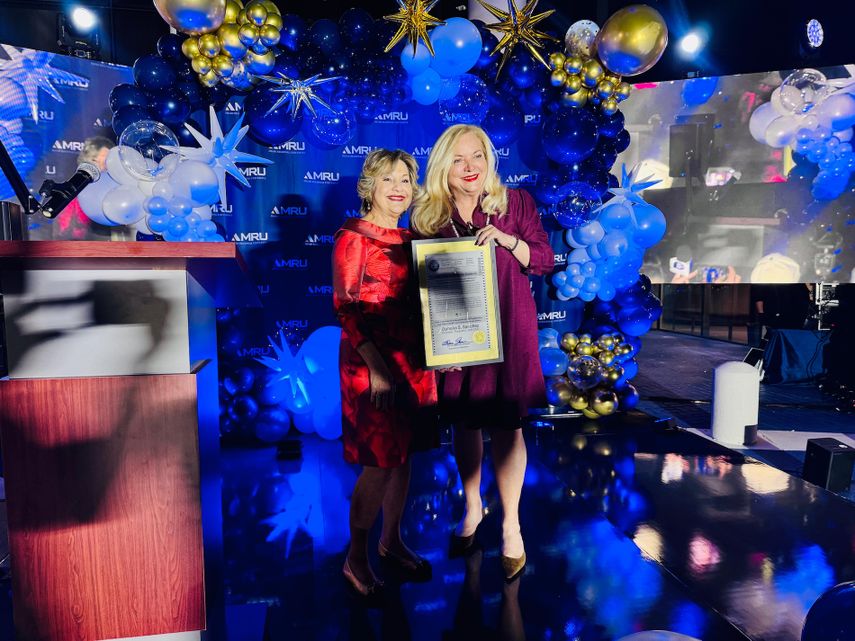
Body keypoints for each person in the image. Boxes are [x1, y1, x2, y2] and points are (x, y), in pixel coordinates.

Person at [411, 124, 554, 580]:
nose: (469, 167)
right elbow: (423, 289)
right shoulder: (428, 217)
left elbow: (544, 260)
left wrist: (507, 239)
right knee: (465, 422)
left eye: (476, 155)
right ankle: (473, 506)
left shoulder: (516, 204)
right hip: (461, 338)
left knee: (509, 425)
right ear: (443, 167)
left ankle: (511, 525)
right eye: (458, 159)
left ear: (489, 159)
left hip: (510, 331)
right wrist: (439, 344)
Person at [332, 149, 437, 596]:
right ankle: (355, 558)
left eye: (405, 180)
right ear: (369, 187)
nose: (398, 188)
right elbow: (346, 309)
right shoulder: (353, 236)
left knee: (403, 456)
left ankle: (391, 542)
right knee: (378, 464)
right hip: (370, 363)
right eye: (388, 179)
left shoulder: (415, 239)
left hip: (412, 363)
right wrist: (377, 368)